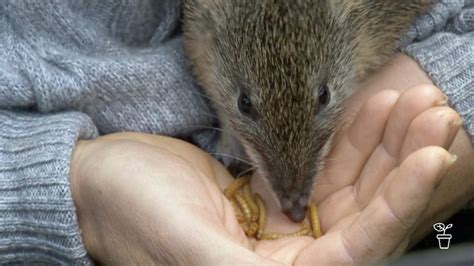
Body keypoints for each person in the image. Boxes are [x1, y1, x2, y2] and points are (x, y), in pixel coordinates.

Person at [0, 0, 472, 265]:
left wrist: (451, 92)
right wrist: (73, 189)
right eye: (247, 106)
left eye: (322, 98)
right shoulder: (210, 21)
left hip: (443, 235)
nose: (293, 197)